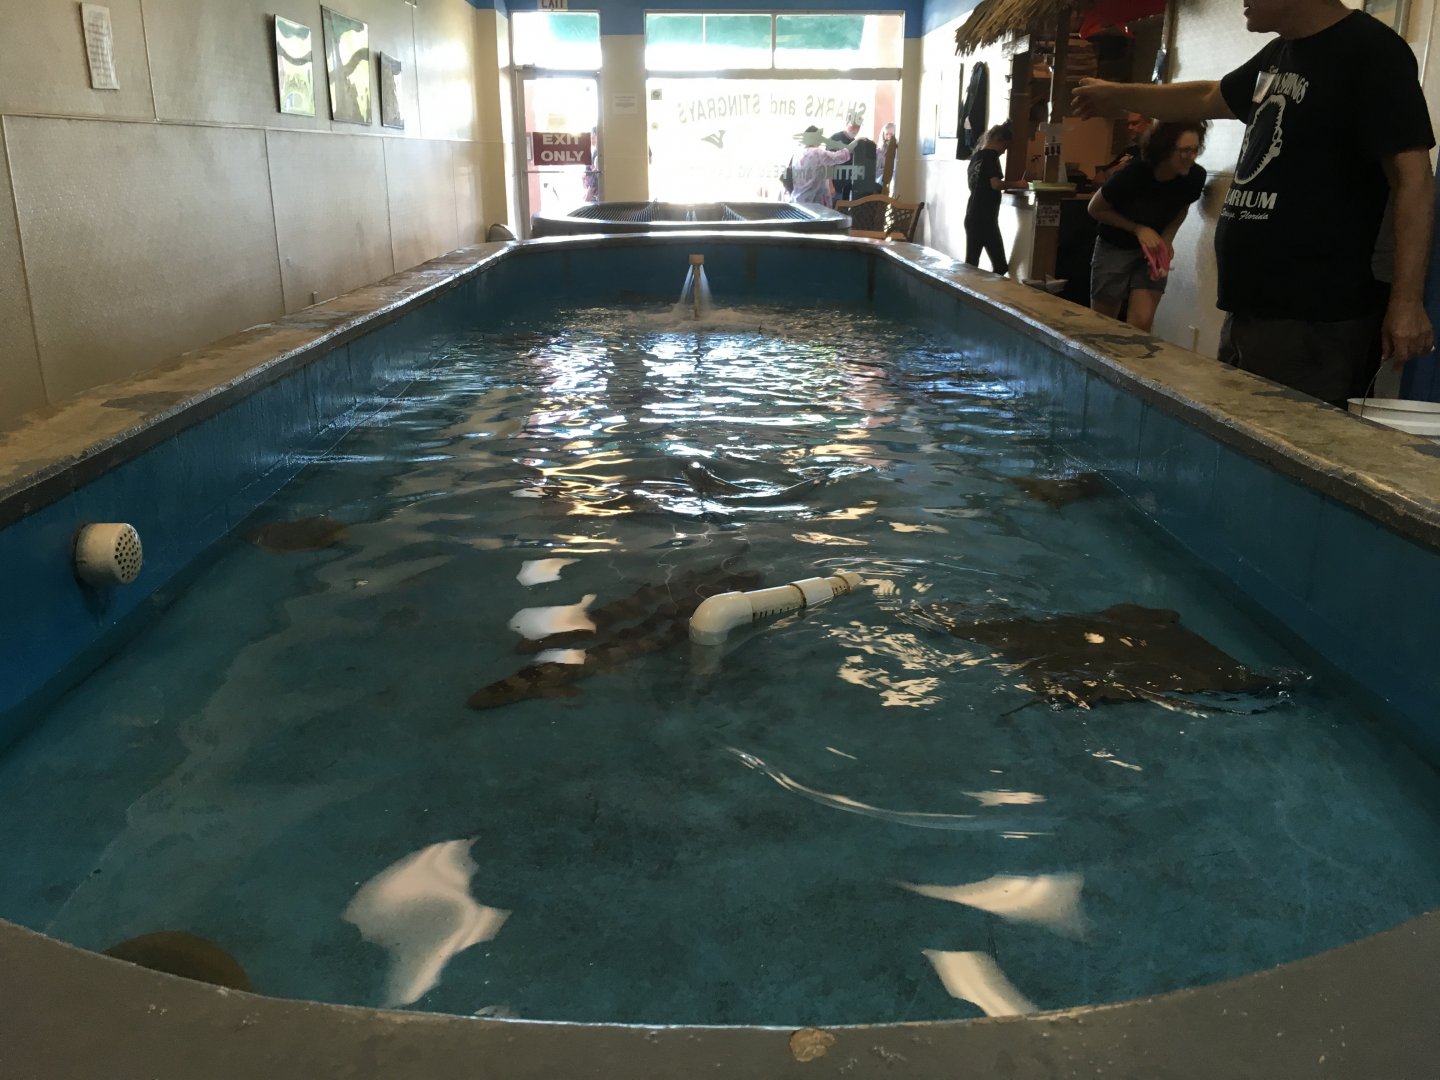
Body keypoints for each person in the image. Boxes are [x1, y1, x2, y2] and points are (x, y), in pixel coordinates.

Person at [1072, 0, 1435, 405]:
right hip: (1249, 307)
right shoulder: (1281, 52)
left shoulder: (1372, 50)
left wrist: (1407, 301)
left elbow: (1414, 179)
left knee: (1289, 437)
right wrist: (1118, 96)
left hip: (1314, 313)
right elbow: (1209, 96)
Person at [1087, 121, 1209, 332]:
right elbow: (1095, 209)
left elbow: (1182, 209)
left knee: (1142, 324)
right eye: (1184, 150)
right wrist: (1138, 229)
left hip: (1152, 250)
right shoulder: (1134, 173)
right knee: (1102, 323)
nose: (1191, 157)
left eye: (1195, 150)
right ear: (1165, 150)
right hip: (1115, 244)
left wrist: (1167, 238)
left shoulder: (1195, 176)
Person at [964, 122, 1013, 274]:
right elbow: (996, 184)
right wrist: (1018, 184)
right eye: (1005, 147)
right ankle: (989, 289)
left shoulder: (976, 157)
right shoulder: (991, 156)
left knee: (971, 264)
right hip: (986, 218)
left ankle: (969, 288)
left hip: (972, 215)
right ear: (999, 140)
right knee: (1000, 267)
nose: (1004, 152)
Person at [785, 126, 852, 208]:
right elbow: (839, 156)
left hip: (797, 201)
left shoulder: (798, 153)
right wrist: (855, 144)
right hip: (814, 204)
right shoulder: (817, 153)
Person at [1095, 112, 1150, 181]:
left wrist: (1112, 172)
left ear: (1148, 123)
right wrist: (1112, 171)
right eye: (1128, 124)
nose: (1129, 127)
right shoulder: (1129, 150)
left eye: (1134, 123)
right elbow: (1098, 177)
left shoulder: (1152, 152)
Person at [829, 117, 863, 202]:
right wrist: (830, 185)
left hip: (847, 188)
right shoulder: (835, 139)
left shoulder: (854, 142)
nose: (855, 129)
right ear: (846, 123)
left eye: (858, 127)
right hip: (835, 187)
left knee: (844, 210)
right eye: (853, 126)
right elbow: (827, 164)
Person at [877, 122, 899, 194]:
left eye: (891, 134)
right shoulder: (879, 150)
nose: (889, 136)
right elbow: (876, 171)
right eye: (887, 134)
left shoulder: (898, 149)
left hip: (895, 178)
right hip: (882, 180)